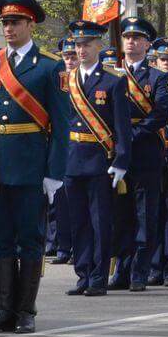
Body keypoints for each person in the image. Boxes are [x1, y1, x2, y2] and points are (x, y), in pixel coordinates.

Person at [0, 0, 69, 334]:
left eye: (15, 22)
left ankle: (26, 309)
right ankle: (4, 309)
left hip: (31, 162)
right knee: (0, 237)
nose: (9, 28)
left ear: (31, 24)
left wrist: (54, 171)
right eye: (5, 22)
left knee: (30, 238)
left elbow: (61, 123)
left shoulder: (49, 66)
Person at [59, 20, 132, 297]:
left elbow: (122, 126)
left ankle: (99, 275)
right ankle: (83, 273)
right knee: (78, 221)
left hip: (101, 160)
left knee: (100, 221)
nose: (81, 50)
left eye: (87, 44)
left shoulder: (114, 80)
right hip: (72, 159)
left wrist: (122, 160)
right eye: (77, 45)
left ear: (99, 46)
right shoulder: (68, 80)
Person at [112, 14, 168, 293]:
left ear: (147, 45)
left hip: (145, 150)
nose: (131, 42)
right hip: (116, 153)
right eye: (127, 37)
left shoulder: (157, 77)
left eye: (137, 38)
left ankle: (140, 271)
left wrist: (131, 136)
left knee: (145, 213)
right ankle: (121, 270)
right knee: (120, 214)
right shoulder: (111, 73)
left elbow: (162, 112)